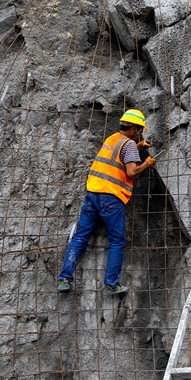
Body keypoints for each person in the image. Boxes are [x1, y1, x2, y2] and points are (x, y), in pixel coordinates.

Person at [58, 109, 155, 295]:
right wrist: (147, 163)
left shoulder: (112, 139)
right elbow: (131, 172)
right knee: (117, 241)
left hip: (93, 193)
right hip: (110, 197)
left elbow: (118, 154)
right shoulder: (129, 145)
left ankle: (64, 279)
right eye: (140, 130)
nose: (140, 133)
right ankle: (111, 284)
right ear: (134, 128)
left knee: (80, 236)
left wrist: (138, 146)